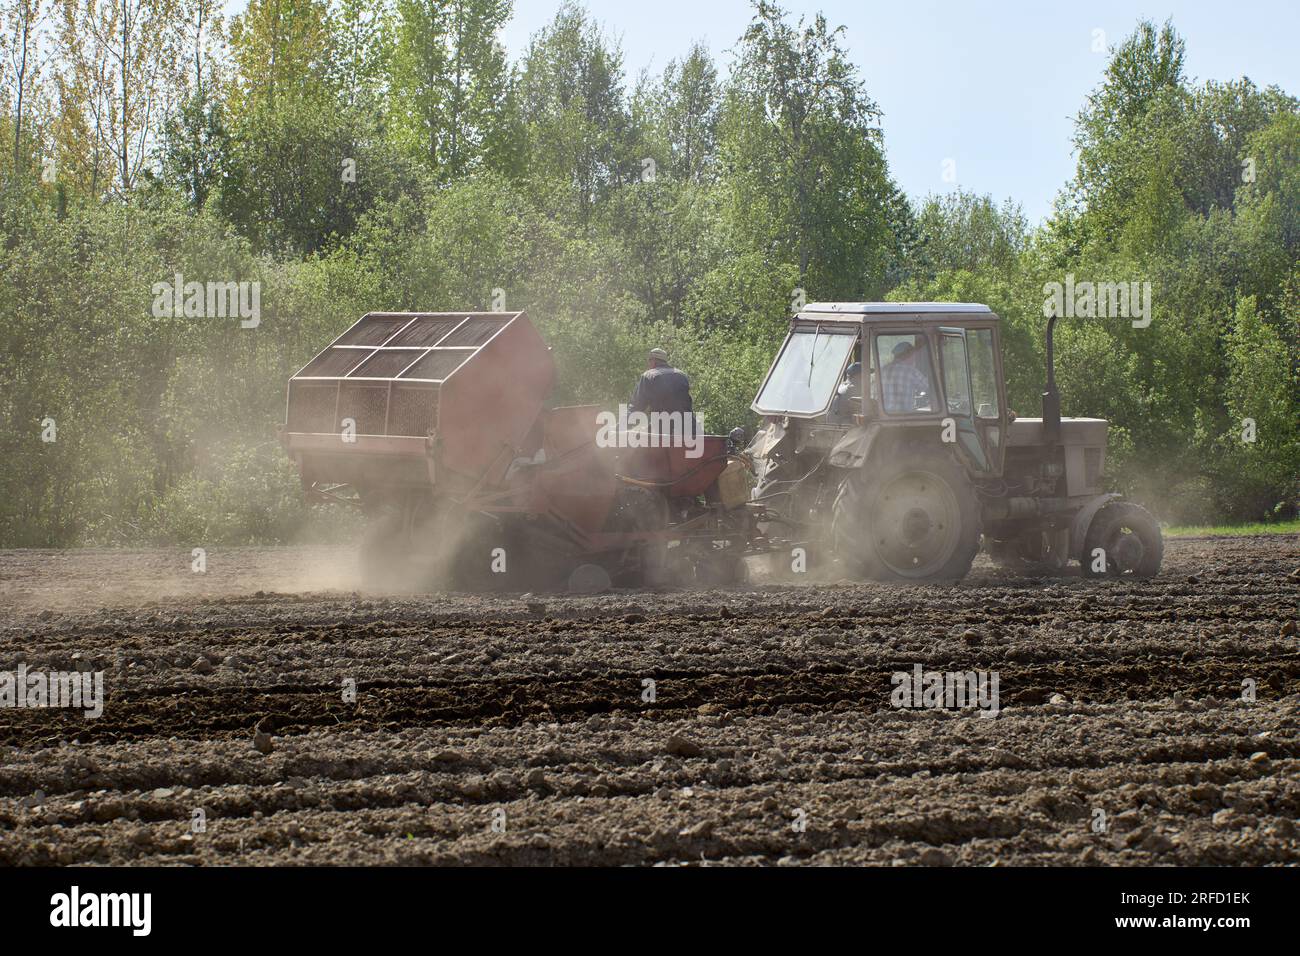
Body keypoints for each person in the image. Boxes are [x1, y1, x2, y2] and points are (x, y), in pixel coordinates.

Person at [630, 347, 693, 416]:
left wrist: (621, 425)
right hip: (689, 424)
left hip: (662, 424)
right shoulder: (682, 375)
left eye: (649, 361)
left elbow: (637, 407)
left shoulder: (649, 376)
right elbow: (688, 404)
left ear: (653, 361)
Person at [882, 340, 933, 413]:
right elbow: (929, 388)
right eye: (913, 355)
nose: (914, 358)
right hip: (904, 417)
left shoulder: (883, 370)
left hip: (885, 416)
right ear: (907, 355)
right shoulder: (911, 371)